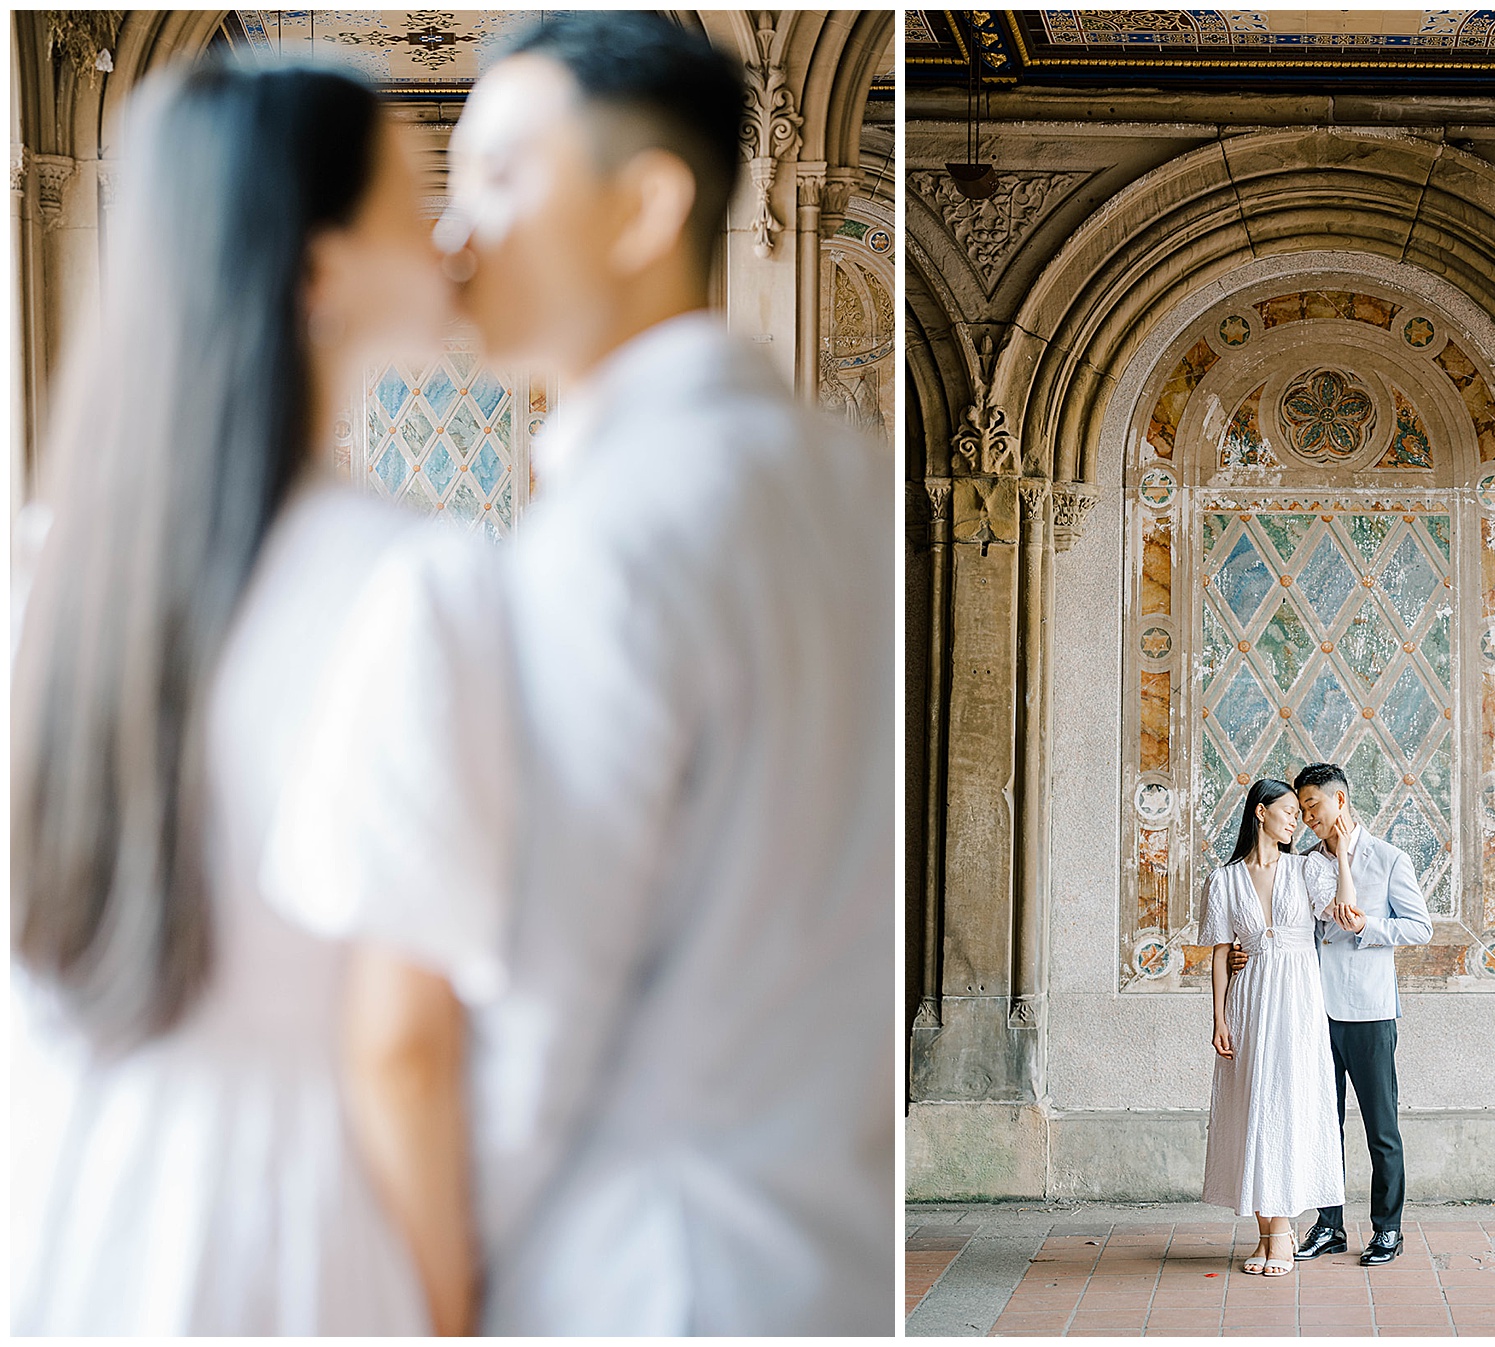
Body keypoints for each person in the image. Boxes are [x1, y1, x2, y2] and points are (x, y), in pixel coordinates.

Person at [263, 11, 894, 1335]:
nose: (454, 231)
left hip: (635, 1276)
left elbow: (535, 1023)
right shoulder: (848, 484)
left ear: (641, 208)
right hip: (829, 1266)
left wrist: (436, 1292)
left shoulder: (613, 533)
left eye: (499, 174)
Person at [11, 63, 471, 1333]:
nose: (446, 231)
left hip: (67, 1196)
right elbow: (401, 1049)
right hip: (291, 1217)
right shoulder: (414, 578)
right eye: (401, 202)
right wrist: (454, 1303)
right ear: (315, 273)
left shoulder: (38, 571)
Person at [1238, 762, 1432, 1268]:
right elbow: (1280, 926)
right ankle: (1330, 1226)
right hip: (1310, 1014)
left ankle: (1387, 1230)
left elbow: (1419, 928)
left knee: (1380, 1128)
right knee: (1322, 1124)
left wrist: (1369, 924)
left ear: (1339, 802)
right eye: (1299, 809)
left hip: (1368, 1012)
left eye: (1311, 806)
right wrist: (1244, 953)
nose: (1305, 817)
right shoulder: (1301, 864)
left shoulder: (1389, 859)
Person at [1198, 779, 1353, 1276]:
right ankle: (1267, 1235)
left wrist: (1343, 855)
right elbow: (1221, 953)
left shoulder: (1305, 869)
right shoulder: (1223, 880)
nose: (1296, 821)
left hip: (1296, 1005)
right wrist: (1219, 1018)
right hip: (1249, 1003)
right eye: (1287, 812)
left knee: (1286, 1107)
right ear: (1261, 813)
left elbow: (1344, 915)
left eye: (1299, 814)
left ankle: (1281, 1235)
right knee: (1253, 1110)